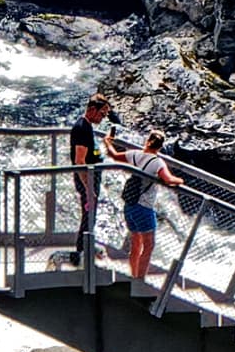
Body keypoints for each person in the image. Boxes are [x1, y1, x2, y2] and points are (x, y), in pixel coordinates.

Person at [120, 135, 170, 284]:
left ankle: (134, 274)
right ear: (160, 147)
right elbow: (168, 179)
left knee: (136, 243)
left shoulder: (136, 154)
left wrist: (108, 142)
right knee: (149, 245)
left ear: (147, 141)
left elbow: (115, 155)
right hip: (144, 208)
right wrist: (180, 181)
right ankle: (140, 280)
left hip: (129, 206)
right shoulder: (157, 162)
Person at [66, 90, 111, 253]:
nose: (103, 117)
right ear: (92, 109)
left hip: (91, 178)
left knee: (90, 214)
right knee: (88, 214)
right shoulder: (81, 128)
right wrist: (88, 188)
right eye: (102, 113)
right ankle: (82, 250)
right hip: (87, 180)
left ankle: (85, 247)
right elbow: (79, 161)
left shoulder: (87, 127)